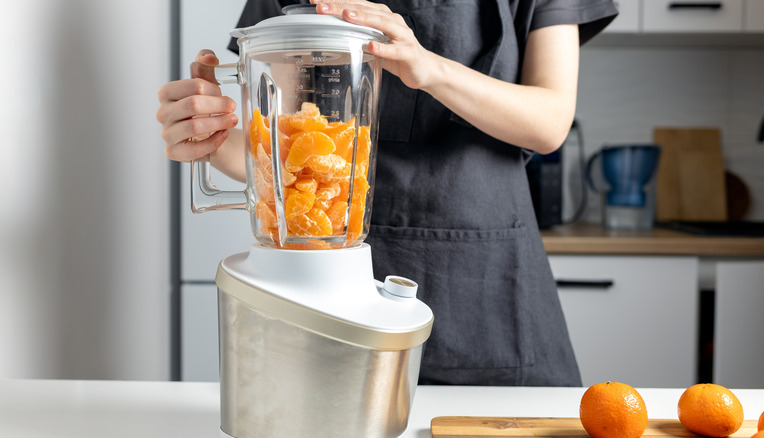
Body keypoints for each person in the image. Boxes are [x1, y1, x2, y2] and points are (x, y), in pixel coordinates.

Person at [157, 0, 618, 386]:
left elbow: (550, 121)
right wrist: (210, 137)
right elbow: (286, 154)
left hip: (485, 288)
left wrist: (429, 68)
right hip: (328, 287)